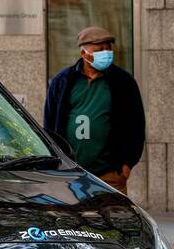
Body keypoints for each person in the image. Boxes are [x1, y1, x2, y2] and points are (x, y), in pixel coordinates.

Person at [42, 26, 145, 194]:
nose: (106, 53)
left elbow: (136, 125)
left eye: (108, 48)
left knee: (112, 218)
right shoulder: (63, 81)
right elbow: (50, 123)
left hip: (110, 174)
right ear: (84, 54)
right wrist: (56, 162)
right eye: (99, 49)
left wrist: (126, 166)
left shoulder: (123, 82)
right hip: (70, 174)